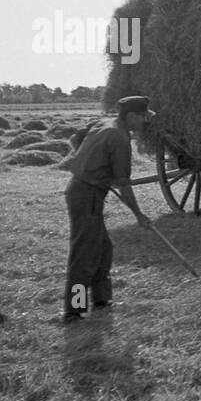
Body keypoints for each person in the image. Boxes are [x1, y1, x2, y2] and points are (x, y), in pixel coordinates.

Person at [62, 95, 154, 323]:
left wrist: (92, 162)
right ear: (132, 116)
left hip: (84, 188)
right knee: (84, 254)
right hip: (87, 194)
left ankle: (102, 300)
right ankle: (74, 310)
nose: (145, 122)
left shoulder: (103, 123)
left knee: (103, 247)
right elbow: (124, 185)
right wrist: (139, 215)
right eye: (143, 117)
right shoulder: (120, 139)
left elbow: (75, 138)